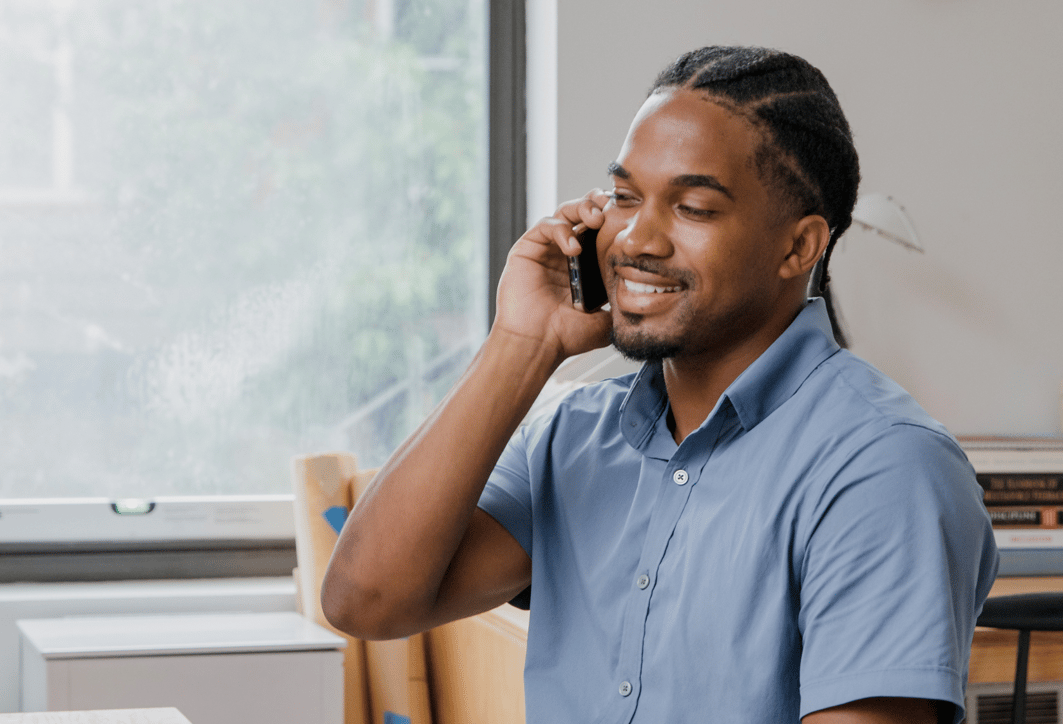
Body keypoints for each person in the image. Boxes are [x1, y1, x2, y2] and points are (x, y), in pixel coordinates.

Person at [321, 46, 998, 724]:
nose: (636, 238)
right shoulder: (570, 437)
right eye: (622, 197)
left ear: (798, 248)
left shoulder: (882, 468)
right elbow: (367, 602)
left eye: (693, 207)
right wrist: (521, 346)